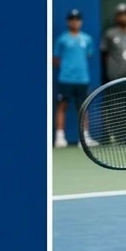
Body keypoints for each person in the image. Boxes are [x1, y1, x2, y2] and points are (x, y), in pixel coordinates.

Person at [53, 8, 95, 148]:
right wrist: (67, 68)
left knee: (83, 108)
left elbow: (88, 55)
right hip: (65, 79)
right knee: (62, 106)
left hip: (82, 79)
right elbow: (55, 59)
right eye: (72, 19)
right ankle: (60, 137)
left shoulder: (87, 39)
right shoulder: (62, 39)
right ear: (68, 21)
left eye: (77, 19)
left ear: (81, 21)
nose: (74, 22)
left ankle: (84, 138)